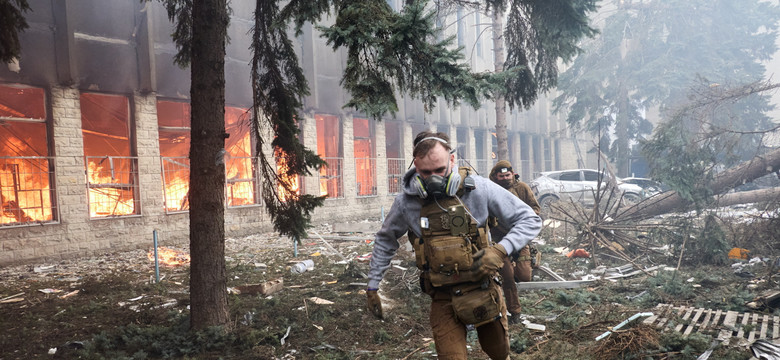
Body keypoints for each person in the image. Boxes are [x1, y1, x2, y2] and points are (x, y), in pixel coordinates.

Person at [366, 131, 542, 360]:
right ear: (415, 167)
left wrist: (501, 249)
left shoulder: (480, 189)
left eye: (440, 170)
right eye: (426, 173)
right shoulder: (406, 203)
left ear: (452, 160)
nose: (434, 179)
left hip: (483, 291)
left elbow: (530, 219)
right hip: (442, 297)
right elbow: (385, 239)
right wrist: (372, 284)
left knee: (499, 353)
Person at [488, 160, 542, 324]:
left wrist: (523, 219)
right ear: (496, 177)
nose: (505, 178)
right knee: (508, 278)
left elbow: (535, 208)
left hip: (520, 238)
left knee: (525, 276)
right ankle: (515, 313)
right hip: (500, 242)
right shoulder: (491, 191)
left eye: (507, 175)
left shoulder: (522, 188)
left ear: (513, 173)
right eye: (501, 176)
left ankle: (528, 258)